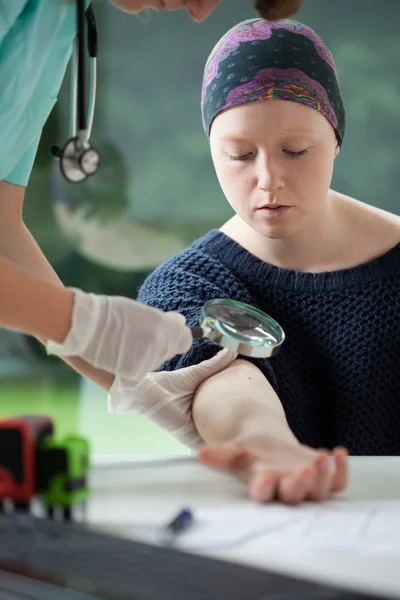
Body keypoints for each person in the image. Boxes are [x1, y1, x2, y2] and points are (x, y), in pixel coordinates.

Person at [123, 17, 400, 505]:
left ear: (335, 138)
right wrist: (264, 445)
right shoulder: (184, 286)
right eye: (238, 154)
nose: (268, 179)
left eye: (295, 151)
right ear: (210, 150)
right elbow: (221, 378)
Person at [0, 1, 304, 392]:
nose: (200, 12)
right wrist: (82, 322)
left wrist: (143, 392)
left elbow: (3, 226)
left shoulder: (61, 17)